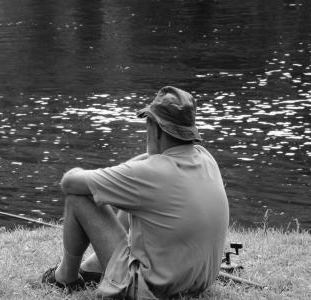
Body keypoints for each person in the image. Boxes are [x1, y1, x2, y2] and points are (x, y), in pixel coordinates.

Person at [41, 86, 229, 299]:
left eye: (147, 122)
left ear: (156, 128)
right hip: (198, 283)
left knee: (78, 199)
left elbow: (70, 183)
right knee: (131, 202)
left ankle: (66, 277)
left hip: (150, 290)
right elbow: (146, 173)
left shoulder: (151, 173)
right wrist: (127, 172)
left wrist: (115, 172)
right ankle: (93, 268)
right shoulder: (205, 158)